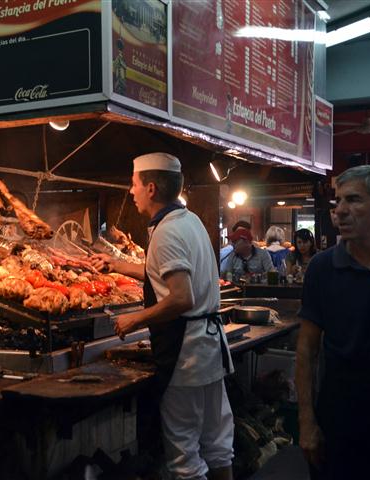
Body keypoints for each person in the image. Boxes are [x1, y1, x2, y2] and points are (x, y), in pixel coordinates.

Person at [91, 153, 234, 480]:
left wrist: (135, 319)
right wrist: (117, 265)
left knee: (184, 455)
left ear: (151, 188)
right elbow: (164, 273)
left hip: (186, 356)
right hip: (209, 349)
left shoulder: (166, 232)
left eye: (134, 184)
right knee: (218, 443)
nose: (131, 192)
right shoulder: (189, 221)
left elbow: (182, 297)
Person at [295, 165, 370, 480]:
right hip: (340, 420)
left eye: (354, 200)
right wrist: (306, 422)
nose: (341, 211)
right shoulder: (323, 268)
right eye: (338, 201)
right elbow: (306, 350)